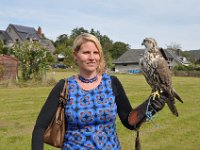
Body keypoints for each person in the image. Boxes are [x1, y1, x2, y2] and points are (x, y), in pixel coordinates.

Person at [32, 33, 167, 150]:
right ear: (75, 55)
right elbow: (39, 128)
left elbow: (129, 121)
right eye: (86, 53)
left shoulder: (112, 83)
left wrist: (150, 106)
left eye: (96, 53)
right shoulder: (64, 87)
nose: (92, 57)